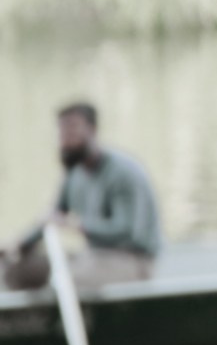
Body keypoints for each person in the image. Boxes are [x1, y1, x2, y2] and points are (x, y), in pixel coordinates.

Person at [3, 102, 162, 292]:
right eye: (61, 131)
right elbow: (52, 217)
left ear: (92, 130)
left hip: (132, 260)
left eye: (72, 130)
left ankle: (59, 319)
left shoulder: (123, 173)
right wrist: (17, 246)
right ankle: (21, 321)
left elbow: (126, 231)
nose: (66, 139)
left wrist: (77, 224)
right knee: (14, 270)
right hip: (92, 256)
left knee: (65, 281)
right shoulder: (74, 174)